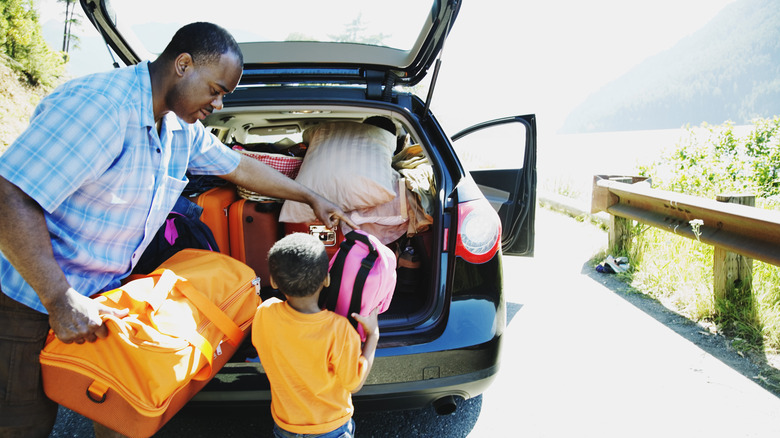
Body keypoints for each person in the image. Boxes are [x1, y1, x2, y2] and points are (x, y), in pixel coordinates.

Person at [0, 22, 356, 437]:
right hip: (28, 298)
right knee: (21, 422)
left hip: (106, 297)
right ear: (183, 65)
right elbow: (10, 194)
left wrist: (311, 196)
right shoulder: (101, 106)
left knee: (119, 413)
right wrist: (59, 298)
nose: (218, 105)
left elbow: (237, 165)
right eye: (216, 90)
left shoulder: (179, 129)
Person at [252, 233, 379, 438]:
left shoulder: (264, 313)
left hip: (286, 426)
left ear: (274, 282)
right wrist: (373, 336)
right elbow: (354, 384)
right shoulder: (339, 330)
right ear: (327, 279)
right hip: (331, 428)